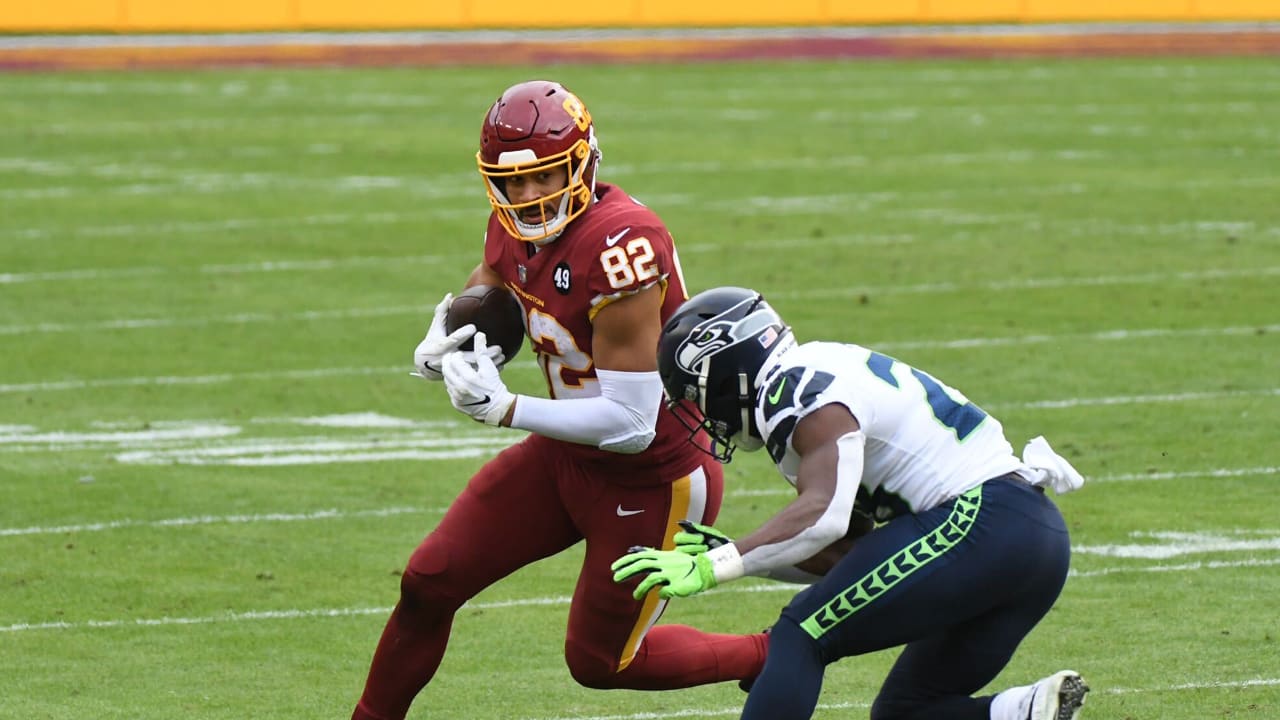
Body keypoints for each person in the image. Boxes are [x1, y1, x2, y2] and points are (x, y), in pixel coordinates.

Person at [350, 82, 768, 720]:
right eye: (511, 184)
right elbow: (494, 280)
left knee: (600, 664)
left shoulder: (622, 243)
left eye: (543, 179)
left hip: (653, 472)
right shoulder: (517, 222)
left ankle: (767, 655)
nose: (526, 199)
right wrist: (454, 338)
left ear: (584, 161)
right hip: (567, 455)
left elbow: (632, 423)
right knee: (429, 582)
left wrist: (507, 409)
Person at [611, 286, 1090, 720]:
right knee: (905, 711)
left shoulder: (789, 390)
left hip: (980, 520)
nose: (706, 414)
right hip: (1031, 540)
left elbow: (824, 515)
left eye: (700, 396)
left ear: (726, 370)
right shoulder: (814, 373)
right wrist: (748, 554)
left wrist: (720, 564)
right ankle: (1022, 711)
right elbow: (846, 550)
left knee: (801, 633)